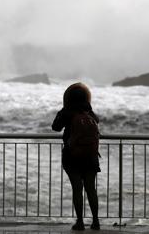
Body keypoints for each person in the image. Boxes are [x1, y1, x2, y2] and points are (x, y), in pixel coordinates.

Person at [52, 82, 100, 231]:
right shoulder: (90, 113)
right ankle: (96, 221)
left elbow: (55, 127)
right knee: (91, 189)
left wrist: (63, 110)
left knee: (77, 188)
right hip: (91, 156)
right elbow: (96, 122)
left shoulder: (68, 112)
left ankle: (80, 221)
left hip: (72, 156)